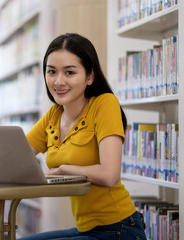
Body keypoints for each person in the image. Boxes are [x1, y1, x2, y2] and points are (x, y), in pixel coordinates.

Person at [20, 33, 146, 240]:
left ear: (90, 76)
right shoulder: (54, 115)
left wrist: (64, 169)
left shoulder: (104, 103)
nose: (58, 81)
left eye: (69, 72)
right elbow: (14, 158)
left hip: (119, 229)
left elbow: (109, 175)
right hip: (86, 229)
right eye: (51, 72)